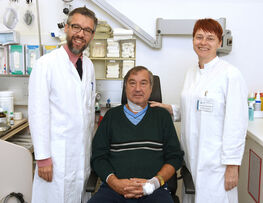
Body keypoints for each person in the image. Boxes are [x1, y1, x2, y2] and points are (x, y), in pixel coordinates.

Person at [150, 18, 248, 203]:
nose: (203, 43)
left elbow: (237, 123)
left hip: (216, 163)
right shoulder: (191, 72)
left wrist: (232, 166)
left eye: (210, 38)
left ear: (220, 42)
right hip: (192, 157)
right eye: (199, 37)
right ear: (193, 40)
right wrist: (171, 109)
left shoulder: (230, 75)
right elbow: (194, 109)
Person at [28, 7, 97, 203]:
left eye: (87, 30)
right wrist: (42, 158)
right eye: (76, 27)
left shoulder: (89, 66)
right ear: (66, 28)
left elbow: (87, 111)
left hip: (81, 155)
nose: (80, 34)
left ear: (92, 35)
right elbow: (37, 113)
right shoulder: (46, 65)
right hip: (55, 157)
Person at [88, 66, 184, 203]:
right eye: (132, 83)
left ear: (151, 88)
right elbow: (98, 157)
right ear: (125, 87)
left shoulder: (162, 117)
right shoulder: (111, 117)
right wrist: (116, 184)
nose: (137, 88)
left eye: (143, 83)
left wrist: (153, 184)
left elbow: (174, 157)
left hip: (155, 191)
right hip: (113, 190)